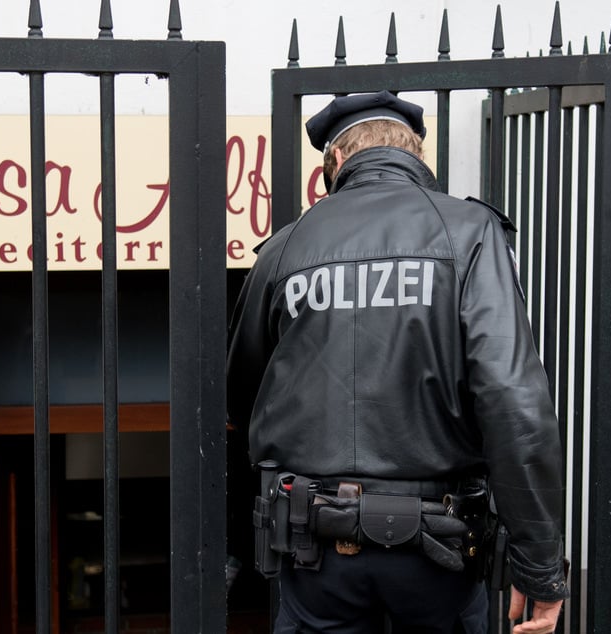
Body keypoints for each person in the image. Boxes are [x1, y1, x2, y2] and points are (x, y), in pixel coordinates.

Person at [227, 90, 567, 633]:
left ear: (335, 161)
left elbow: (243, 397)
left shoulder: (284, 249)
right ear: (415, 156)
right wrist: (540, 567)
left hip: (316, 548)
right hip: (439, 550)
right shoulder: (470, 235)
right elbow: (513, 403)